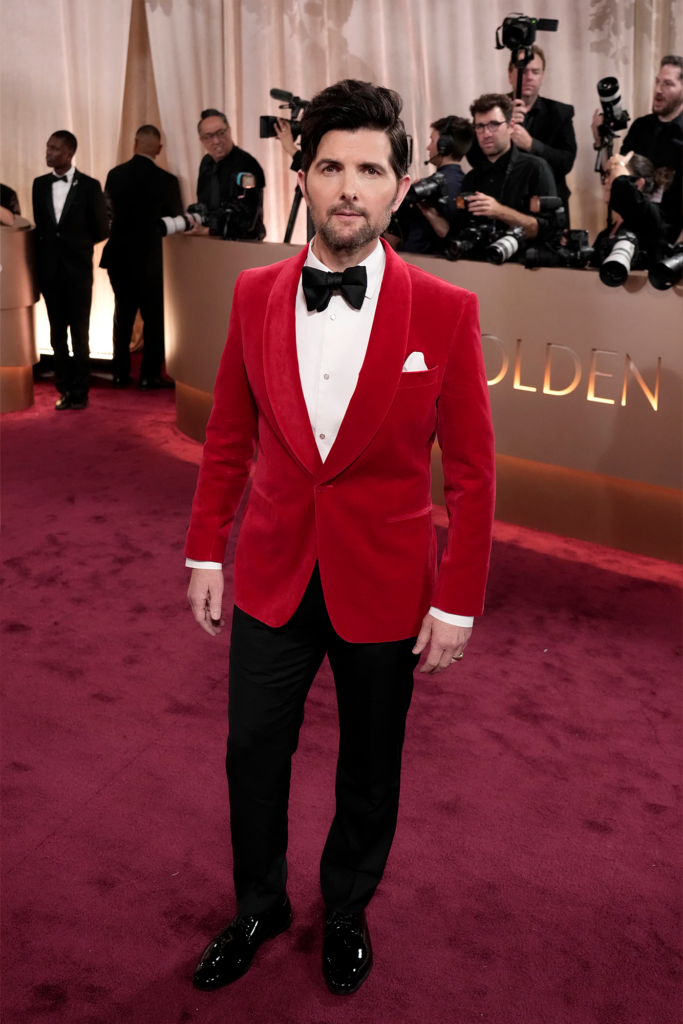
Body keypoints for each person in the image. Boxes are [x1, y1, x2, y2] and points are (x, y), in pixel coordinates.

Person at [184, 79, 495, 996]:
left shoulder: (444, 309)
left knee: (369, 762)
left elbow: (471, 476)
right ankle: (258, 905)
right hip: (272, 570)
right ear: (302, 178)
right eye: (330, 168)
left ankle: (347, 905)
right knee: (251, 753)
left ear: (399, 185)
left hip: (387, 584)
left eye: (369, 169)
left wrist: (456, 603)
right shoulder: (252, 293)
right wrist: (205, 550)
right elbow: (227, 436)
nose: (348, 188)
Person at [100, 125, 182, 389]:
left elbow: (108, 214)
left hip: (119, 257)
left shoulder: (114, 175)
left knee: (122, 316)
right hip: (152, 261)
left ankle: (119, 373)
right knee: (154, 320)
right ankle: (149, 375)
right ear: (159, 149)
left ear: (135, 144)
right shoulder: (167, 180)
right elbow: (175, 222)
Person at [32, 130, 108, 410]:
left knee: (80, 334)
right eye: (47, 147)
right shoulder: (39, 185)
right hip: (50, 272)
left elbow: (102, 229)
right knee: (56, 335)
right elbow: (42, 229)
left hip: (78, 271)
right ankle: (63, 388)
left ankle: (81, 390)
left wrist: (77, 247)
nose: (48, 152)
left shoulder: (89, 185)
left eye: (54, 148)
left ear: (70, 153)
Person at [467, 45, 576, 219]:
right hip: (500, 198)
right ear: (510, 75)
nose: (529, 77)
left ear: (542, 76)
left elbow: (566, 162)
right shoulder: (493, 110)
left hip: (547, 203)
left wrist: (532, 144)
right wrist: (501, 128)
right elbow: (473, 157)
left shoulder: (560, 113)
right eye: (523, 71)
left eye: (535, 72)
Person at [452, 93, 557, 254]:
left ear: (511, 126)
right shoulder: (471, 178)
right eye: (480, 126)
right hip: (477, 264)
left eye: (493, 124)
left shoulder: (536, 168)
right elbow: (457, 231)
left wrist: (499, 211)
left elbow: (548, 231)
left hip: (522, 265)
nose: (486, 133)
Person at [592, 55, 683, 241]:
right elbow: (616, 175)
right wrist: (600, 141)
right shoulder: (641, 127)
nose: (658, 90)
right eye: (657, 82)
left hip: (670, 234)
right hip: (632, 229)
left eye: (668, 84)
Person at [386, 115, 474, 254]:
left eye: (432, 140)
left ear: (444, 145)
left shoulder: (433, 187)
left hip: (422, 260)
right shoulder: (465, 183)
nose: (428, 147)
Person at [196, 108, 266, 239]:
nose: (216, 141)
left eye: (220, 133)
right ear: (202, 140)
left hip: (243, 243)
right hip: (211, 241)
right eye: (209, 137)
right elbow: (202, 203)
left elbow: (247, 219)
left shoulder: (248, 164)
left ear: (229, 131)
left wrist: (208, 230)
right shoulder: (206, 164)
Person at [591, 152, 668, 269]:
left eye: (612, 175)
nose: (606, 181)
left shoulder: (650, 217)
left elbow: (626, 193)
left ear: (638, 184)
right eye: (608, 175)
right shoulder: (605, 234)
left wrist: (619, 164)